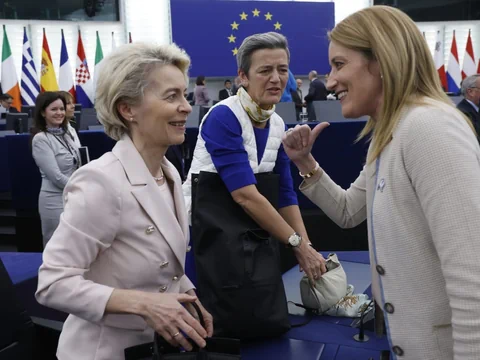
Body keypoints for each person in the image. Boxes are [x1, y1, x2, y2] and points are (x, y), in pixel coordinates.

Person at [283, 6, 480, 359]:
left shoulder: (428, 129)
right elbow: (348, 212)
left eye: (339, 65)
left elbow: (473, 279)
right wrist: (306, 163)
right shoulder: (392, 133)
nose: (329, 82)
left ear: (382, 61)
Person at [35, 43, 213, 360]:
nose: (186, 107)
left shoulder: (168, 173)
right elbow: (53, 283)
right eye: (171, 96)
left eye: (184, 95)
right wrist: (146, 304)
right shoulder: (101, 182)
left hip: (152, 348)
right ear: (127, 109)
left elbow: (159, 262)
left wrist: (187, 293)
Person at [183, 32, 326, 337]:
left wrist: (307, 245)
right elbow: (246, 196)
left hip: (242, 234)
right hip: (203, 236)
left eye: (283, 70)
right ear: (242, 76)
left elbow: (286, 193)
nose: (276, 79)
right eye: (265, 70)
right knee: (211, 330)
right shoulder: (223, 116)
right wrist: (297, 246)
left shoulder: (277, 124)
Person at [31, 92, 82, 247]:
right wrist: (83, 186)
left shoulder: (67, 134)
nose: (59, 113)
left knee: (77, 245)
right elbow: (57, 177)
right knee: (58, 247)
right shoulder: (40, 139)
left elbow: (78, 164)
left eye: (61, 108)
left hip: (74, 197)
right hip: (55, 202)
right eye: (54, 109)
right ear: (42, 112)